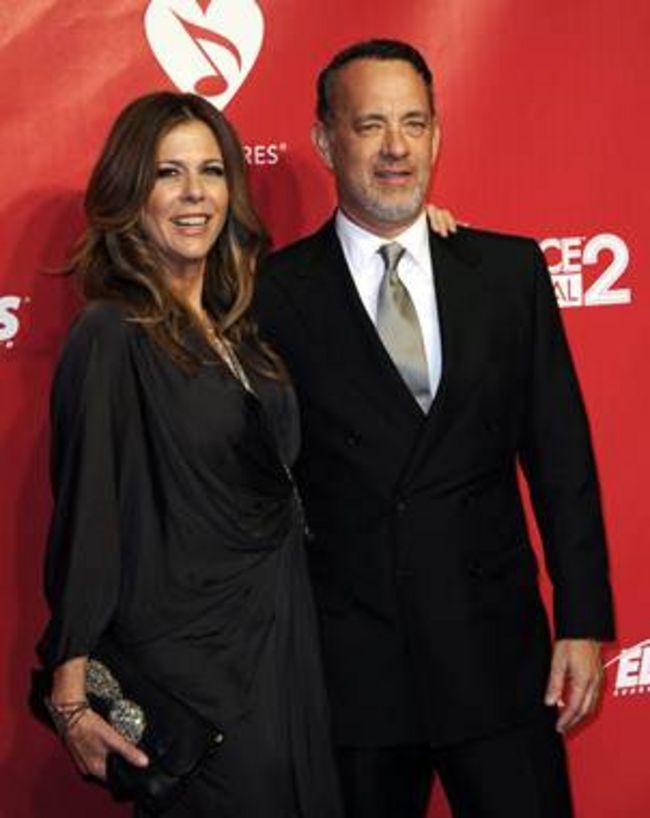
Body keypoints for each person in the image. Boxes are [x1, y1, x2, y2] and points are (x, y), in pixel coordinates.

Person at [254, 39, 615, 818]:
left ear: (437, 136)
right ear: (325, 140)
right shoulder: (271, 294)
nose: (396, 147)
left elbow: (561, 459)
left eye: (413, 124)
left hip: (498, 660)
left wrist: (583, 620)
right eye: (371, 125)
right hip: (354, 673)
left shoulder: (509, 274)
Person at [36, 91, 344, 818]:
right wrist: (70, 694)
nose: (195, 193)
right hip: (191, 666)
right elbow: (88, 511)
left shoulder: (239, 330)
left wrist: (424, 232)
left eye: (211, 170)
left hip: (281, 639)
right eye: (168, 173)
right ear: (129, 193)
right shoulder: (110, 335)